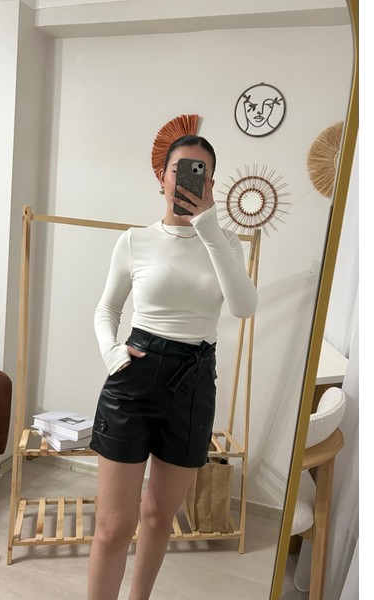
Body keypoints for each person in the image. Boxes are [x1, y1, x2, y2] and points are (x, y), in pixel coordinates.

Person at [87, 135, 258, 600]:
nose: (188, 179)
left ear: (211, 183)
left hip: (195, 380)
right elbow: (107, 308)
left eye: (200, 172)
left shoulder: (225, 243)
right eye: (180, 169)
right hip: (136, 375)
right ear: (162, 178)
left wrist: (209, 225)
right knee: (113, 526)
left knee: (160, 517)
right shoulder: (135, 241)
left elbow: (243, 307)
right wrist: (112, 353)